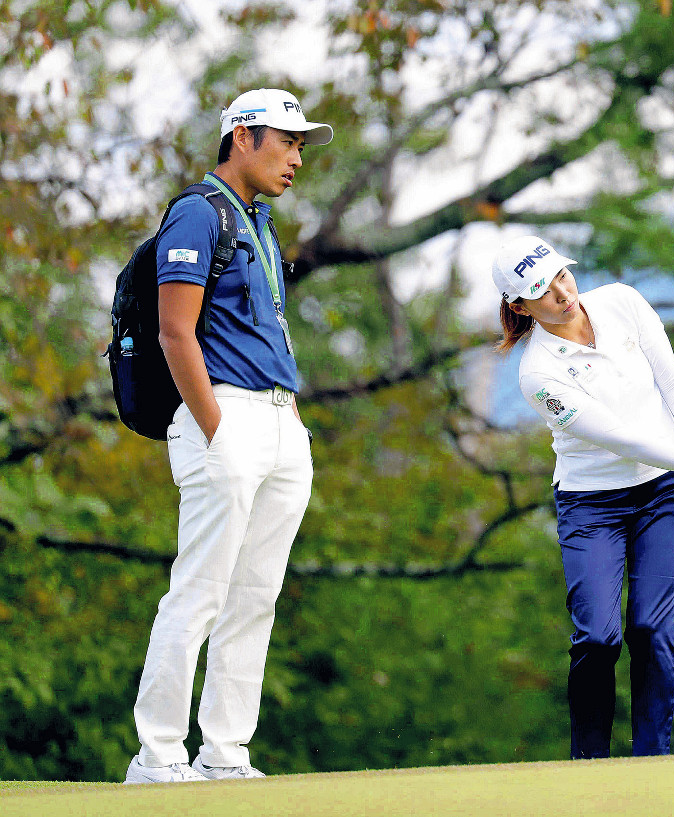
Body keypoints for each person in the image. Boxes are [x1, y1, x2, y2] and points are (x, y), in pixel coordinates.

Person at [493, 235, 674, 759]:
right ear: (519, 305)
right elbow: (623, 438)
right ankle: (590, 764)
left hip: (665, 493)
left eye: (561, 275)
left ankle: (651, 761)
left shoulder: (622, 301)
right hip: (591, 505)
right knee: (598, 638)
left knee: (650, 628)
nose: (560, 292)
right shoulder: (537, 374)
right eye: (541, 289)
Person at [124, 89, 333, 784]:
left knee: (255, 595)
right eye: (287, 141)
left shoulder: (259, 222)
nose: (297, 157)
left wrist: (289, 424)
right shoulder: (198, 210)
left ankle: (225, 750)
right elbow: (174, 331)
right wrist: (216, 428)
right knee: (202, 589)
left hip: (279, 421)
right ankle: (157, 754)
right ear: (243, 136)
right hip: (225, 417)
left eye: (302, 145)